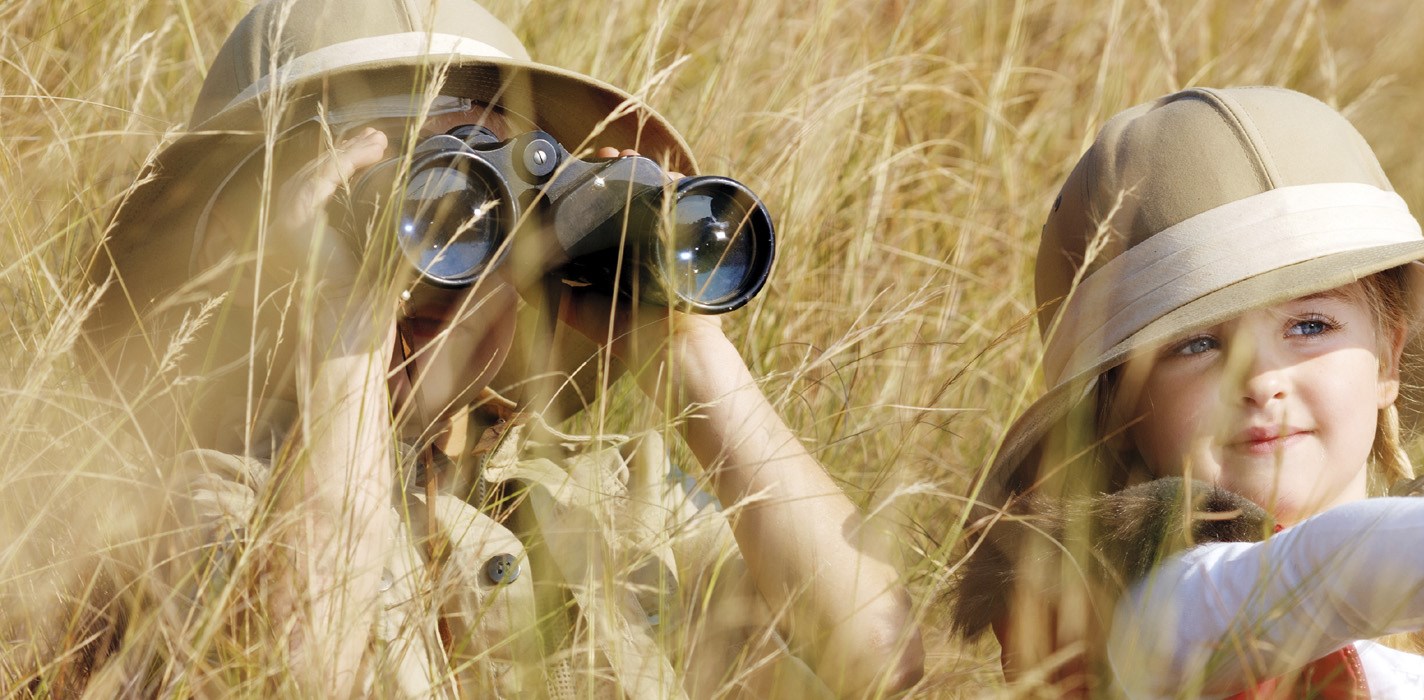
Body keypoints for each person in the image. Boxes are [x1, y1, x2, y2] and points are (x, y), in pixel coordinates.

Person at [70, 0, 922, 696]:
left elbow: (880, 658)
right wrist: (342, 328)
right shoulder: (194, 510)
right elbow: (300, 670)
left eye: (487, 210)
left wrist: (687, 348)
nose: (437, 267)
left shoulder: (611, 500)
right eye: (416, 198)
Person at [949, 87, 1424, 698]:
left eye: (1310, 326)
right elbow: (1312, 577)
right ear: (1120, 413)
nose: (1261, 379)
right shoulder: (1162, 608)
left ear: (1390, 357)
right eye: (1196, 344)